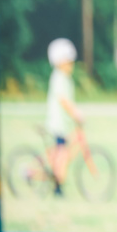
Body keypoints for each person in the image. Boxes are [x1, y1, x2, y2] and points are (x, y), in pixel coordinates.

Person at [44, 38, 83, 194]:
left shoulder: (64, 78)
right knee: (62, 153)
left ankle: (57, 182)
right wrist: (76, 114)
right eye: (68, 62)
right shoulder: (59, 78)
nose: (71, 65)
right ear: (59, 62)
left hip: (62, 123)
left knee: (60, 152)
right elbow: (64, 101)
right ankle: (58, 184)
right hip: (58, 123)